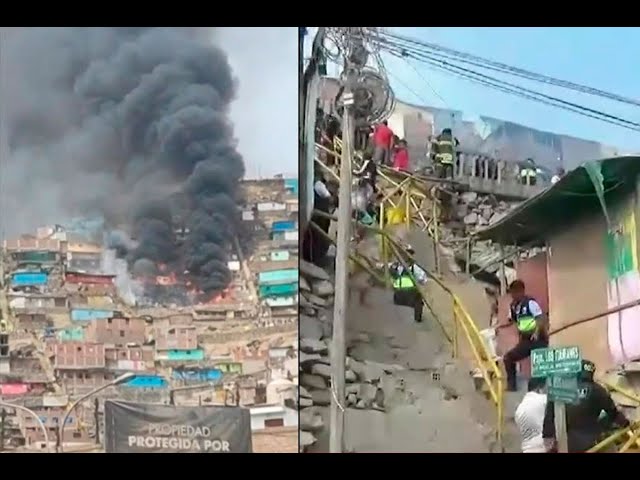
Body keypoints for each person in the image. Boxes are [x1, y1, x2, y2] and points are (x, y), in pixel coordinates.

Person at [542, 359, 630, 453]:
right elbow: (613, 413)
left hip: (567, 445)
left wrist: (549, 442)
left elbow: (549, 418)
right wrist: (626, 424)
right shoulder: (597, 389)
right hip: (593, 442)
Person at [498, 279, 548, 392]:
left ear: (521, 291)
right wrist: (498, 327)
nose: (512, 296)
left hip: (538, 340)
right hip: (525, 340)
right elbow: (510, 321)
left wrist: (536, 332)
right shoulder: (514, 306)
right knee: (508, 358)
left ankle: (540, 390)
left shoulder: (530, 303)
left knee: (541, 367)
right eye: (511, 293)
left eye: (514, 293)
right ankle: (512, 386)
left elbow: (540, 318)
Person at [389, 245, 428, 323]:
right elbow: (423, 280)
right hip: (404, 294)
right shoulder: (413, 267)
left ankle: (417, 319)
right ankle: (417, 319)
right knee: (419, 300)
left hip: (402, 295)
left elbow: (423, 279)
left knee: (418, 299)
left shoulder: (396, 266)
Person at [515, 377, 548, 453]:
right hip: (542, 448)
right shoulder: (543, 399)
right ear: (539, 389)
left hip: (526, 449)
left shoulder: (519, 409)